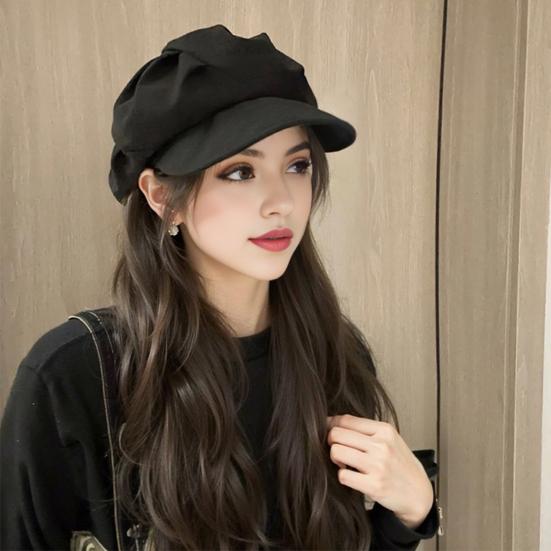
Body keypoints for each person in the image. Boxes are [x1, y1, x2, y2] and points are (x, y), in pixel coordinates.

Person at [0, 24, 442, 550]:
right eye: (239, 172)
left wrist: (411, 514)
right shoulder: (75, 378)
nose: (282, 201)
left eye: (297, 165)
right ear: (162, 197)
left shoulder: (335, 354)